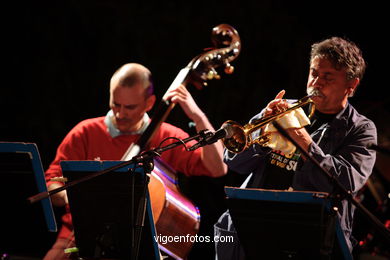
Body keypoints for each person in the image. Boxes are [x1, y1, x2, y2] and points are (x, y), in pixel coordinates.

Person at [214, 36, 377, 259]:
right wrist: (263, 133)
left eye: (327, 77)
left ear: (351, 85)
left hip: (311, 241)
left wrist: (303, 140)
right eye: (314, 73)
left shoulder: (361, 129)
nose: (316, 83)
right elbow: (234, 161)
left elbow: (346, 182)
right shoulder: (284, 109)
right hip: (252, 232)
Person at [43, 63, 227, 259]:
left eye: (130, 107)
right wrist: (71, 196)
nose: (120, 114)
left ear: (149, 103)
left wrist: (198, 116)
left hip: (143, 244)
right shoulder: (85, 132)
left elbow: (218, 168)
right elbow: (51, 183)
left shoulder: (168, 136)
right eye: (115, 104)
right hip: (78, 238)